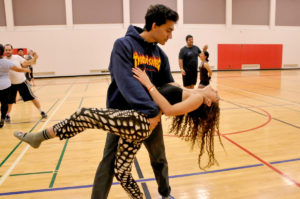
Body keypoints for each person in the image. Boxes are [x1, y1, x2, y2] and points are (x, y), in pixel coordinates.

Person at [14, 68, 221, 198]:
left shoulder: (200, 100)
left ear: (209, 102)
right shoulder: (194, 93)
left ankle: (39, 137)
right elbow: (169, 96)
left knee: (85, 114)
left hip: (138, 123)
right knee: (122, 172)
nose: (216, 90)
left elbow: (168, 109)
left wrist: (149, 85)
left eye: (217, 94)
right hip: (141, 127)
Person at [92, 4, 178, 199]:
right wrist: (153, 112)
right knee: (108, 164)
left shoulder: (160, 55)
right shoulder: (123, 45)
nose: (170, 36)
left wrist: (192, 96)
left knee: (159, 158)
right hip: (121, 117)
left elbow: (166, 87)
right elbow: (125, 83)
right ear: (155, 25)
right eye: (168, 30)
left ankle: (165, 194)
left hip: (151, 119)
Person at [4, 44, 47, 122]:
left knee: (32, 97)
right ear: (4, 51)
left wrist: (34, 58)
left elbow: (26, 63)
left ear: (12, 50)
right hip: (10, 84)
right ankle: (7, 115)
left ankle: (41, 111)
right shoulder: (3, 60)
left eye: (9, 50)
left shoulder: (17, 57)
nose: (8, 51)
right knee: (9, 101)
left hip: (21, 82)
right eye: (6, 50)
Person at [0, 44, 30, 127]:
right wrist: (26, 70)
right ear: (3, 52)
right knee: (4, 103)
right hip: (5, 85)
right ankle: (2, 118)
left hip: (6, 84)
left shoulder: (11, 60)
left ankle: (4, 116)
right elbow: (18, 69)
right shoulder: (7, 62)